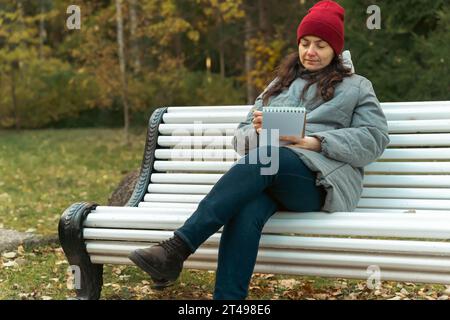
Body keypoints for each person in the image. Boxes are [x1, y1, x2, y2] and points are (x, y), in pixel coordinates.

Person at [129, 0, 390, 300]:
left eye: (320, 44)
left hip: (322, 181)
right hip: (270, 174)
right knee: (246, 207)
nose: (311, 51)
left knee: (271, 158)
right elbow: (240, 140)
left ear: (335, 49)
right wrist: (257, 132)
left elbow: (374, 138)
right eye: (305, 43)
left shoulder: (356, 87)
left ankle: (177, 248)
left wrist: (314, 142)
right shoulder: (279, 84)